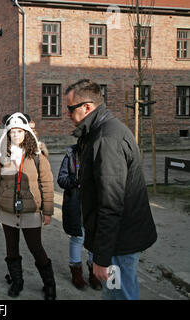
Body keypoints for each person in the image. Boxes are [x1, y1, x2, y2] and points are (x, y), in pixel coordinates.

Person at [65, 79, 157, 300]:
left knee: (119, 295)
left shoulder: (106, 139)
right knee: (116, 292)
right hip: (118, 240)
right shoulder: (100, 131)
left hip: (119, 245)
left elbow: (111, 204)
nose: (67, 114)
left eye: (70, 109)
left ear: (86, 107)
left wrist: (102, 258)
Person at [0, 112, 56, 300]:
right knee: (11, 248)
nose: (15, 135)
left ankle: (49, 284)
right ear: (7, 133)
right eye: (12, 132)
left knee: (36, 248)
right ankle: (17, 281)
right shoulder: (2, 156)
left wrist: (48, 211)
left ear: (26, 132)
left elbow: (47, 183)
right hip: (7, 210)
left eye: (19, 131)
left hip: (31, 211)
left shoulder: (37, 155)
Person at [57, 144, 102, 291]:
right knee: (78, 237)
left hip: (95, 204)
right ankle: (76, 273)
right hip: (77, 204)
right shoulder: (71, 155)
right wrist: (76, 182)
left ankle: (94, 273)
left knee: (94, 238)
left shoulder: (100, 153)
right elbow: (61, 179)